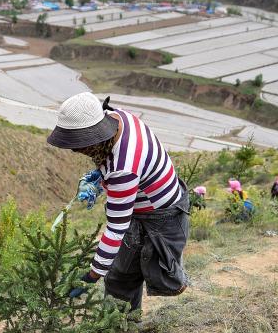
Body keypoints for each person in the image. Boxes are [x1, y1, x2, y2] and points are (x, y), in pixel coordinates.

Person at [47, 92, 190, 312]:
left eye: (80, 145)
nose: (77, 150)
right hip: (151, 200)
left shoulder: (123, 168)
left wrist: (91, 276)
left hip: (160, 216)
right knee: (121, 274)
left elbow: (116, 228)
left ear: (95, 137)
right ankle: (123, 325)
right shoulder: (119, 117)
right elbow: (112, 161)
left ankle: (124, 324)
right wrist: (100, 174)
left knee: (139, 277)